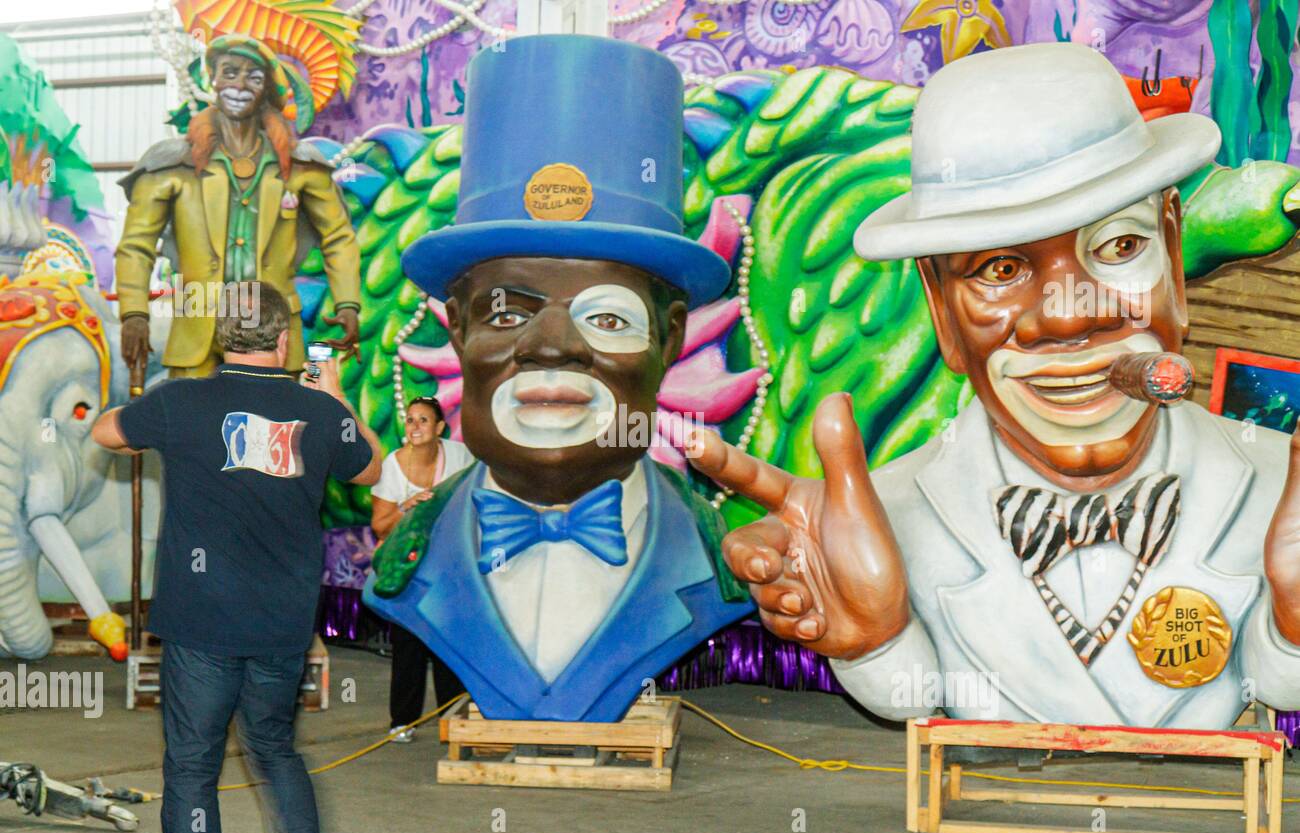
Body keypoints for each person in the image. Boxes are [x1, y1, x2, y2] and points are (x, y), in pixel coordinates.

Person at [690, 43, 1300, 729]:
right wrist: (873, 643)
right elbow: (914, 698)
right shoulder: (887, 517)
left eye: (1121, 248)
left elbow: (1277, 683)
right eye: (1002, 270)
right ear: (942, 309)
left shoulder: (1282, 491)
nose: (1069, 316)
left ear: (1174, 261)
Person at [362, 35, 753, 723]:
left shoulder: (717, 560)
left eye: (606, 319)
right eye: (508, 310)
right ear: (456, 330)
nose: (551, 348)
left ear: (671, 337)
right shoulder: (409, 557)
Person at [92, 284, 382, 833]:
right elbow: (371, 469)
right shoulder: (322, 413)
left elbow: (106, 432)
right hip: (281, 623)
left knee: (194, 766)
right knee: (275, 751)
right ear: (283, 340)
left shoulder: (178, 402)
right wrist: (338, 397)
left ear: (223, 337)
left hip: (200, 621)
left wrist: (155, 441)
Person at [115, 33, 361, 377]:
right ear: (213, 78)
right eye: (229, 72)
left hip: (272, 330)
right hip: (197, 323)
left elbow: (338, 236)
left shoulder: (301, 165)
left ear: (266, 89)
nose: (239, 84)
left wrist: (348, 303)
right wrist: (134, 313)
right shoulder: (171, 164)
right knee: (194, 426)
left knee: (273, 423)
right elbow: (136, 245)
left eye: (253, 76)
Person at [369, 396, 474, 741]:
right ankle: (403, 721)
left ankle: (452, 719)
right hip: (407, 572)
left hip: (448, 568)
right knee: (408, 643)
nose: (415, 427)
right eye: (410, 420)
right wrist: (407, 506)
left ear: (440, 427)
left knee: (449, 642)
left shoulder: (459, 457)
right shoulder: (392, 466)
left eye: (423, 420)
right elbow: (380, 526)